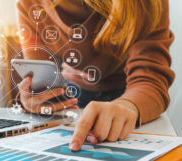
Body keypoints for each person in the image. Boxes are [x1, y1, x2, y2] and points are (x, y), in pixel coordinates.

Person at [16, 0, 175, 151]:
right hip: (71, 95)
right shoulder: (29, 4)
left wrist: (128, 105)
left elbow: (151, 77)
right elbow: (40, 79)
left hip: (131, 94)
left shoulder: (146, 4)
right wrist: (32, 99)